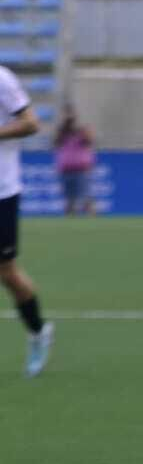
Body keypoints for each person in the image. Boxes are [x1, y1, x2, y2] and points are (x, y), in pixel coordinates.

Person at [0, 63, 52, 377]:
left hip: (2, 191)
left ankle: (37, 332)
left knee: (7, 274)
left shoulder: (2, 78)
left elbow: (31, 123)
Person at [52, 104, 96, 216]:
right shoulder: (61, 131)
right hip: (66, 169)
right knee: (69, 198)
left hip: (82, 168)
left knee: (86, 196)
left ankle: (93, 219)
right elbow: (55, 143)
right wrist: (64, 128)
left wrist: (79, 130)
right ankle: (70, 220)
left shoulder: (82, 129)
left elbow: (89, 141)